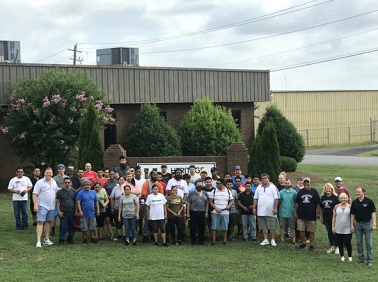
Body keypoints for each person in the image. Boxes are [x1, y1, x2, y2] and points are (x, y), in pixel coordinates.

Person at [33, 167, 59, 247]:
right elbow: (34, 194)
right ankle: (38, 241)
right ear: (44, 173)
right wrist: (35, 205)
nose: (48, 174)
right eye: (47, 173)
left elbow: (57, 190)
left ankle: (46, 239)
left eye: (50, 173)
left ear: (52, 174)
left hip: (52, 206)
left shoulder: (54, 182)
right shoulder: (40, 182)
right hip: (42, 206)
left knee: (48, 222)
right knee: (40, 222)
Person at [351, 187, 376, 266]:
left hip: (367, 224)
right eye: (356, 192)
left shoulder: (369, 201)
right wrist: (352, 225)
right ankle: (361, 258)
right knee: (359, 242)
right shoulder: (354, 202)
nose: (357, 193)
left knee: (368, 242)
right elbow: (352, 214)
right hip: (358, 224)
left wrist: (374, 224)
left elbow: (373, 213)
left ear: (363, 192)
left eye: (358, 192)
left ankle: (369, 260)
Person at [253, 173, 279, 247]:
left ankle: (273, 240)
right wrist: (254, 208)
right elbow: (255, 198)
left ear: (268, 179)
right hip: (261, 211)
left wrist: (275, 208)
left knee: (272, 226)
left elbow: (276, 198)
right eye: (263, 178)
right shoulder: (259, 188)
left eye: (265, 178)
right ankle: (265, 239)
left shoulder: (273, 187)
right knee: (264, 226)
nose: (264, 180)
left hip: (270, 211)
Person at [295, 177, 320, 251]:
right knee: (301, 230)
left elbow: (318, 203)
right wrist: (295, 212)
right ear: (303, 183)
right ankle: (303, 243)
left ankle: (311, 245)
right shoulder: (300, 192)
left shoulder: (314, 191)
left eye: (307, 182)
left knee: (311, 230)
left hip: (311, 215)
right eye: (304, 182)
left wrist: (318, 212)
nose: (306, 184)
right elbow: (297, 202)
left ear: (310, 183)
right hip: (301, 214)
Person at [209, 179, 233, 246]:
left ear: (222, 184)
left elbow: (231, 200)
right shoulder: (214, 191)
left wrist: (228, 206)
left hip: (225, 212)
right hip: (215, 212)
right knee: (214, 227)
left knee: (225, 227)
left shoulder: (228, 191)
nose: (217, 185)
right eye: (216, 183)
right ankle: (214, 240)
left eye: (218, 183)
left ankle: (225, 240)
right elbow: (210, 201)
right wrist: (216, 208)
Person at [141, 171, 164, 242]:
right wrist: (148, 203)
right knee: (147, 220)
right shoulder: (146, 183)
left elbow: (161, 193)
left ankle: (153, 235)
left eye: (157, 175)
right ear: (150, 175)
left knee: (154, 221)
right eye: (154, 175)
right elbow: (144, 194)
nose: (156, 176)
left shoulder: (158, 184)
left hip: (157, 205)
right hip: (149, 204)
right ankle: (145, 235)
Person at [76, 180, 100, 244]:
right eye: (86, 185)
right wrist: (80, 211)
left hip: (92, 213)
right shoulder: (80, 193)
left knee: (92, 226)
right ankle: (85, 238)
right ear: (83, 186)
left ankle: (92, 238)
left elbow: (96, 201)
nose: (87, 186)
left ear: (90, 186)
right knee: (84, 227)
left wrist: (97, 210)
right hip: (84, 213)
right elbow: (78, 202)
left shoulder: (93, 192)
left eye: (88, 185)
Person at [332, 193, 352, 262]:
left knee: (348, 242)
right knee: (340, 243)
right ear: (340, 199)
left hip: (347, 227)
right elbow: (334, 217)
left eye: (344, 198)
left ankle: (350, 256)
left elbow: (352, 217)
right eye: (342, 198)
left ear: (347, 199)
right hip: (338, 227)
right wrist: (333, 227)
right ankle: (342, 256)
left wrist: (352, 226)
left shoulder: (350, 207)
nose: (343, 199)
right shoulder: (336, 207)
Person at [56, 177, 77, 245]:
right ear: (63, 183)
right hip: (63, 212)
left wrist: (76, 211)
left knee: (72, 226)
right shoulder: (60, 192)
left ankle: (70, 238)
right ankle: (62, 239)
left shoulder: (74, 191)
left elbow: (76, 202)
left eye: (68, 182)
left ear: (71, 183)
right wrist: (59, 211)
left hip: (72, 211)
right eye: (65, 182)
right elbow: (57, 202)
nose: (67, 184)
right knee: (63, 226)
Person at [320, 183, 339, 254]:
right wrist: (321, 217)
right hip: (326, 218)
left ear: (332, 189)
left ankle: (337, 247)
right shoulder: (323, 197)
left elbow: (338, 207)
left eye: (329, 188)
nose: (328, 190)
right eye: (326, 188)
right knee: (329, 233)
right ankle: (332, 247)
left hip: (334, 218)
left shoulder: (335, 197)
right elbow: (321, 209)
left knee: (335, 233)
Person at [278, 179, 297, 246]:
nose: (287, 184)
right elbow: (278, 202)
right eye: (286, 183)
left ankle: (293, 240)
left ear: (290, 183)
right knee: (282, 227)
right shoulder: (281, 192)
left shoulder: (294, 192)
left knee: (292, 227)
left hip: (291, 212)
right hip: (282, 212)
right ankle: (282, 240)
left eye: (288, 183)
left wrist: (295, 211)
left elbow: (296, 203)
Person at [103, 170, 117, 241]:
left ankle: (118, 233)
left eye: (113, 174)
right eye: (110, 174)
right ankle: (111, 233)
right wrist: (107, 196)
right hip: (108, 202)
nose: (111, 175)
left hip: (116, 202)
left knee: (116, 218)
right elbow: (104, 192)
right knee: (108, 219)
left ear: (115, 175)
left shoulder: (117, 183)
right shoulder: (106, 184)